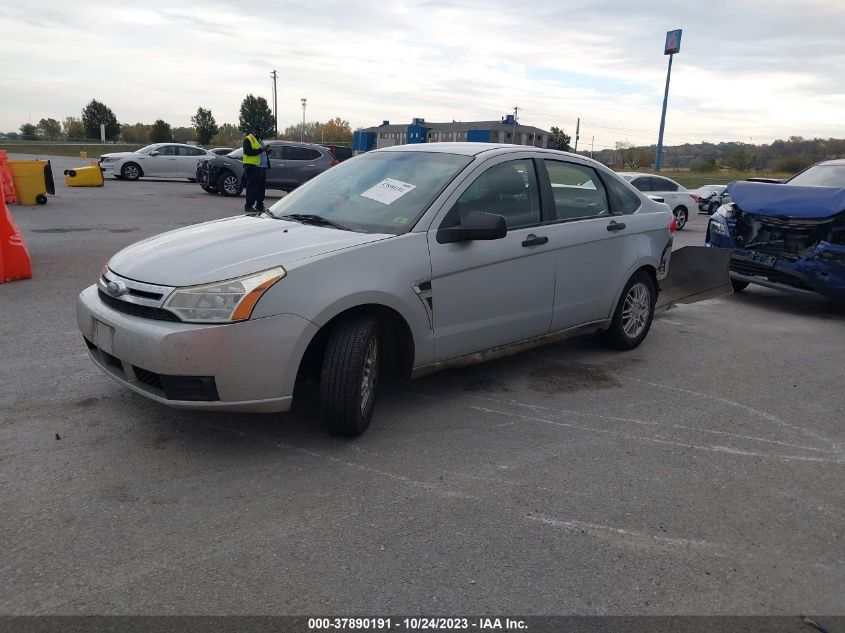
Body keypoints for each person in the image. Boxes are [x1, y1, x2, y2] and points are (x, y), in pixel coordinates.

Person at [242, 125, 271, 214]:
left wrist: (267, 152)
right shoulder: (248, 139)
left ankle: (259, 205)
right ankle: (249, 206)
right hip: (253, 167)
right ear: (254, 130)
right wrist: (261, 150)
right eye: (258, 130)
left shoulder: (259, 140)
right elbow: (247, 151)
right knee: (252, 187)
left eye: (261, 131)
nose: (260, 132)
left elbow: (261, 151)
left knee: (261, 188)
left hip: (261, 167)